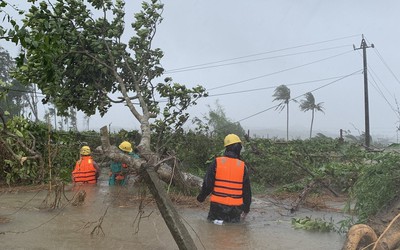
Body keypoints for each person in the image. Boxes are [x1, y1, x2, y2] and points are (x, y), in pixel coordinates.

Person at [197, 134, 252, 223]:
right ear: (239, 149)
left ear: (226, 148)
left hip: (217, 207)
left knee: (214, 231)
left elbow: (208, 184)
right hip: (235, 209)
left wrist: (201, 198)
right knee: (234, 233)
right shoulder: (242, 166)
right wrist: (246, 209)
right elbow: (247, 191)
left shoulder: (217, 162)